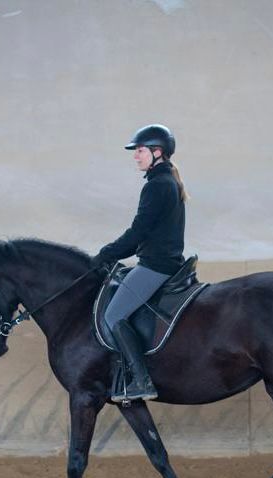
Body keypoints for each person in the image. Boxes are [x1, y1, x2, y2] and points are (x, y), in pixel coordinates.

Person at [91, 124, 188, 401]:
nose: (136, 156)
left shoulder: (157, 186)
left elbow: (138, 232)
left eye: (141, 151)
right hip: (163, 261)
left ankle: (142, 381)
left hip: (155, 266)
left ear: (158, 152)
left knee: (113, 315)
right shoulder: (167, 181)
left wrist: (107, 253)